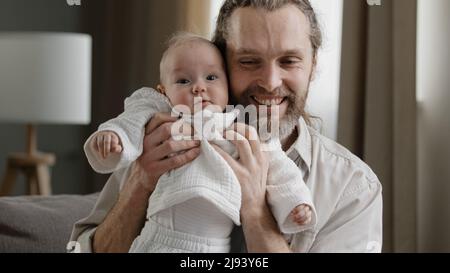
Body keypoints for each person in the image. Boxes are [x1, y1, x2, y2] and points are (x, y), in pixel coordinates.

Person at [70, 0, 382, 253]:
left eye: (289, 61)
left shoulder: (353, 188)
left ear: (313, 65)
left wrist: (256, 212)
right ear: (220, 61)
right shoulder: (158, 137)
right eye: (248, 61)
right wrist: (141, 182)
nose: (271, 82)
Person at [79, 33, 316, 253]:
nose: (199, 87)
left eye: (211, 77)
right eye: (183, 81)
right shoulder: (161, 123)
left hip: (214, 246)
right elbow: (129, 122)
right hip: (159, 236)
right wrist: (112, 136)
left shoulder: (244, 129)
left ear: (227, 85)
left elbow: (281, 169)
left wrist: (296, 202)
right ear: (163, 91)